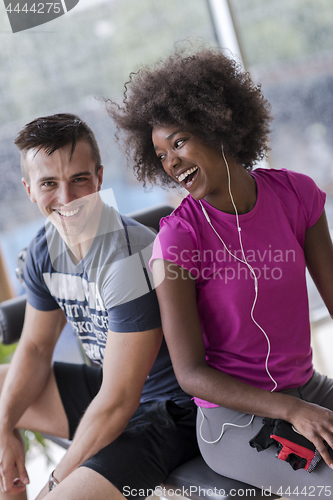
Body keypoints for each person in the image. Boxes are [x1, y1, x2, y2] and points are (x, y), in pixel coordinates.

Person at [108, 48, 333, 498]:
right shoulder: (177, 241)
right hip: (233, 423)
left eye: (178, 142)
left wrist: (299, 404)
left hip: (306, 391)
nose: (171, 162)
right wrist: (289, 410)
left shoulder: (296, 195)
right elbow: (189, 372)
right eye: (160, 155)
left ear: (218, 124)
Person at [0, 113, 199, 500]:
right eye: (48, 184)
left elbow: (119, 400)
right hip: (111, 393)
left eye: (79, 179)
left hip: (168, 415)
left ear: (99, 178)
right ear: (29, 190)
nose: (66, 199)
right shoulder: (46, 248)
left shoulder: (128, 258)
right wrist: (4, 430)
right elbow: (37, 348)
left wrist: (54, 483)